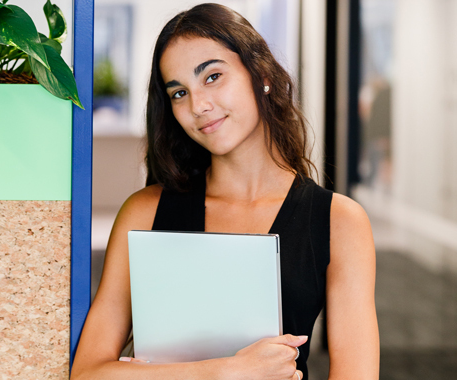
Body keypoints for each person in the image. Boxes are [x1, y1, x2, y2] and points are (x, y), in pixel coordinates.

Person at [71, 3, 379, 380]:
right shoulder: (144, 212)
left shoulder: (338, 222)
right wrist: (227, 371)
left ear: (260, 72)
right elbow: (87, 373)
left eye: (212, 76)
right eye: (179, 93)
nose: (199, 105)